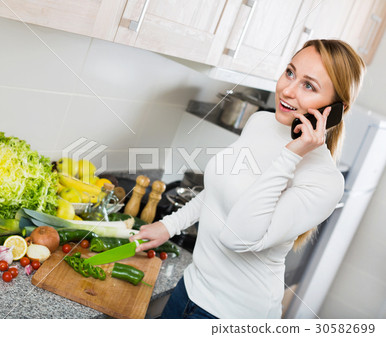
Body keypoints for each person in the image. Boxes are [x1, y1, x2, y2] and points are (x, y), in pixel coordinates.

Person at [130, 39, 366, 319]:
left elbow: (238, 237)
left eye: (308, 86)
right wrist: (169, 226)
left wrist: (291, 155)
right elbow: (220, 190)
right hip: (189, 290)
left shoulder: (325, 181)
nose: (287, 90)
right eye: (290, 73)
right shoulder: (262, 123)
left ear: (336, 108)